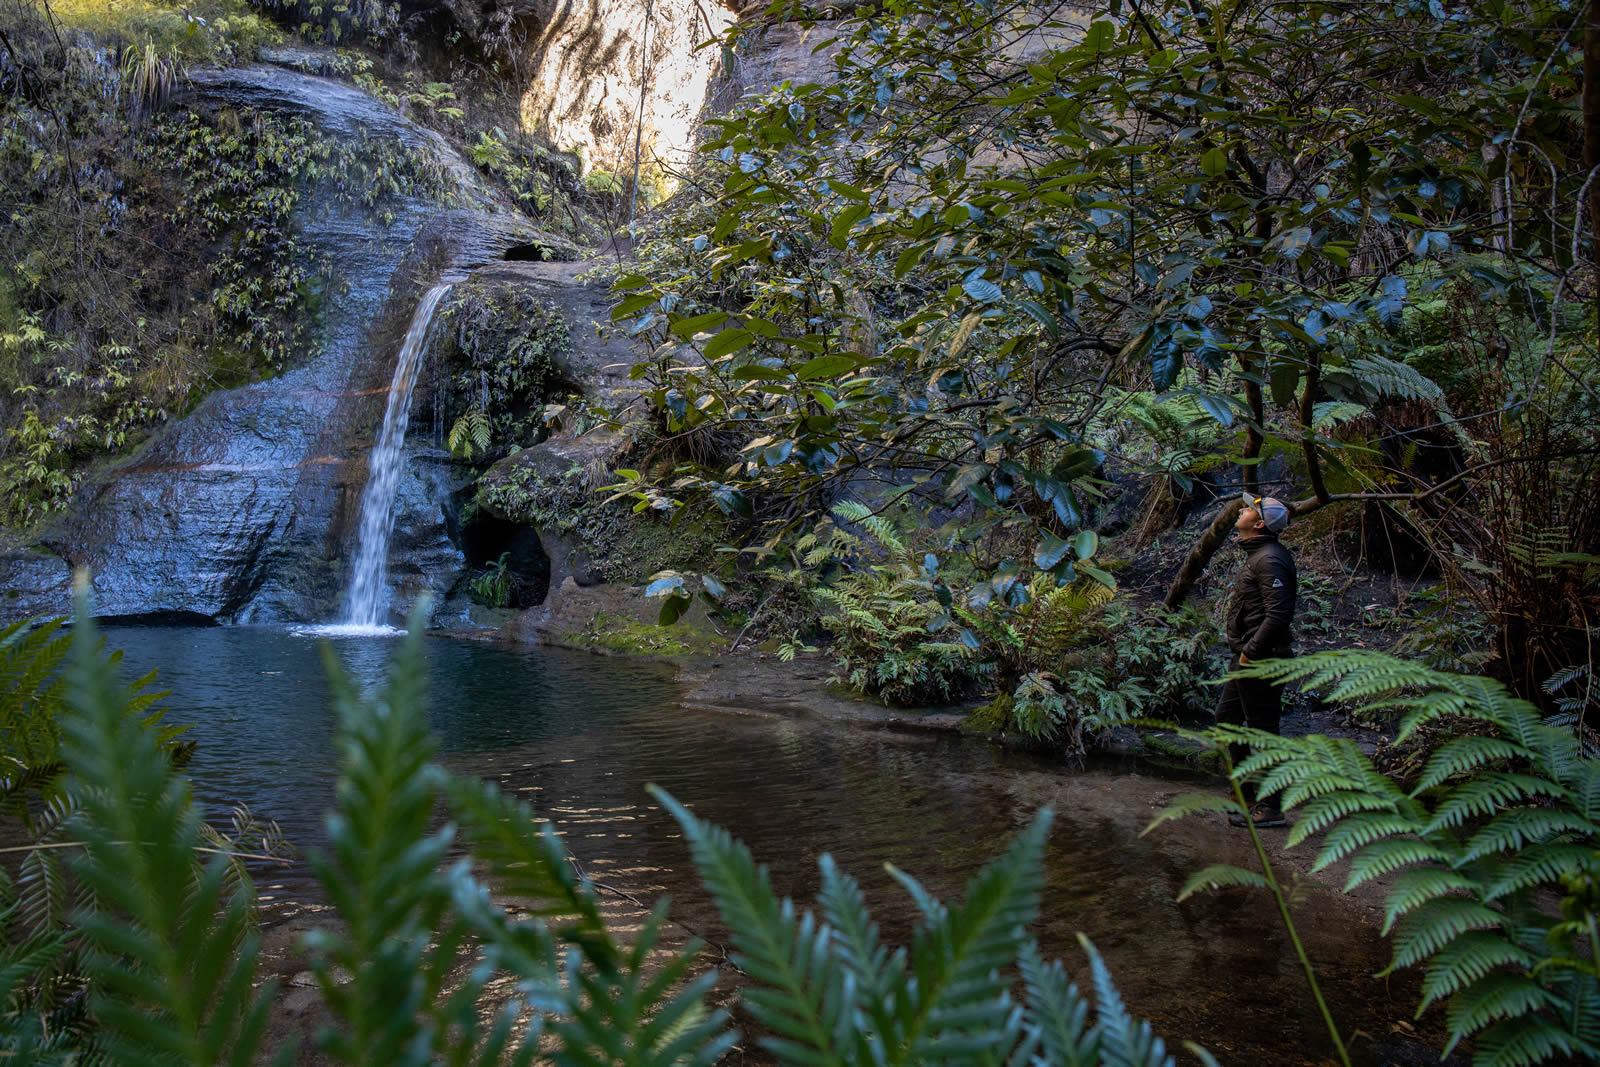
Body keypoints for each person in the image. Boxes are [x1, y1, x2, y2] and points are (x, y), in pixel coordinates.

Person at [1217, 493, 1297, 829]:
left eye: (1250, 509)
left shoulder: (1271, 559)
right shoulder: (1259, 554)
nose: (1242, 509)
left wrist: (1251, 651)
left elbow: (1278, 615)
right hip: (1247, 657)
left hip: (1262, 659)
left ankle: (1272, 806)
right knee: (1227, 719)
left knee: (1263, 731)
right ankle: (1246, 795)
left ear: (1260, 523)